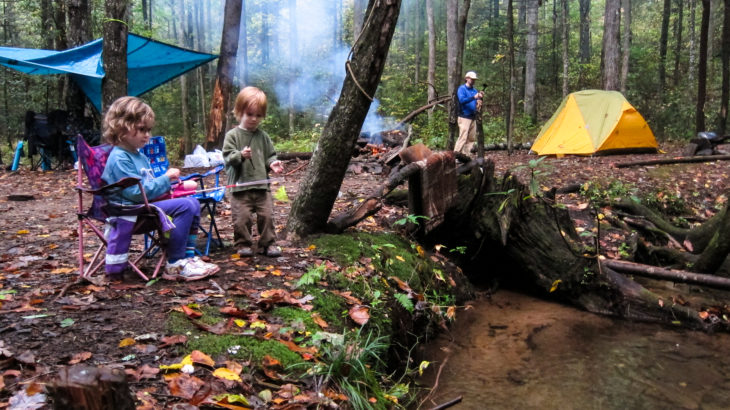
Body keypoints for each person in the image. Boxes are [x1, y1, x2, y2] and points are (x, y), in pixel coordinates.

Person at [101, 96, 219, 281]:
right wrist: (165, 179)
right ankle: (175, 262)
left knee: (192, 202)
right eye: (141, 129)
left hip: (144, 208)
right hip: (129, 212)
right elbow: (136, 193)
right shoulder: (120, 158)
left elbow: (147, 187)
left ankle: (187, 258)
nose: (147, 135)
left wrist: (173, 187)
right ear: (121, 127)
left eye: (148, 130)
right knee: (185, 207)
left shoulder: (138, 156)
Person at [222, 86, 285, 258]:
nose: (254, 119)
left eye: (258, 115)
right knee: (242, 218)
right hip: (239, 188)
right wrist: (240, 155)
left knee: (267, 216)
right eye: (250, 114)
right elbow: (228, 157)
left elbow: (270, 156)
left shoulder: (263, 136)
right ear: (240, 111)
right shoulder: (232, 135)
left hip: (261, 186)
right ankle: (243, 244)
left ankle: (268, 244)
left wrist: (273, 164)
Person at [454, 71, 484, 156]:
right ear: (467, 78)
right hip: (464, 117)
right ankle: (456, 155)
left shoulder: (474, 90)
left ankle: (465, 156)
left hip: (473, 117)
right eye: (472, 79)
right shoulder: (462, 89)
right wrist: (474, 97)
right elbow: (462, 100)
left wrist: (479, 100)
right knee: (462, 137)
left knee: (471, 138)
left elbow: (476, 103)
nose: (473, 81)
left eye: (474, 79)